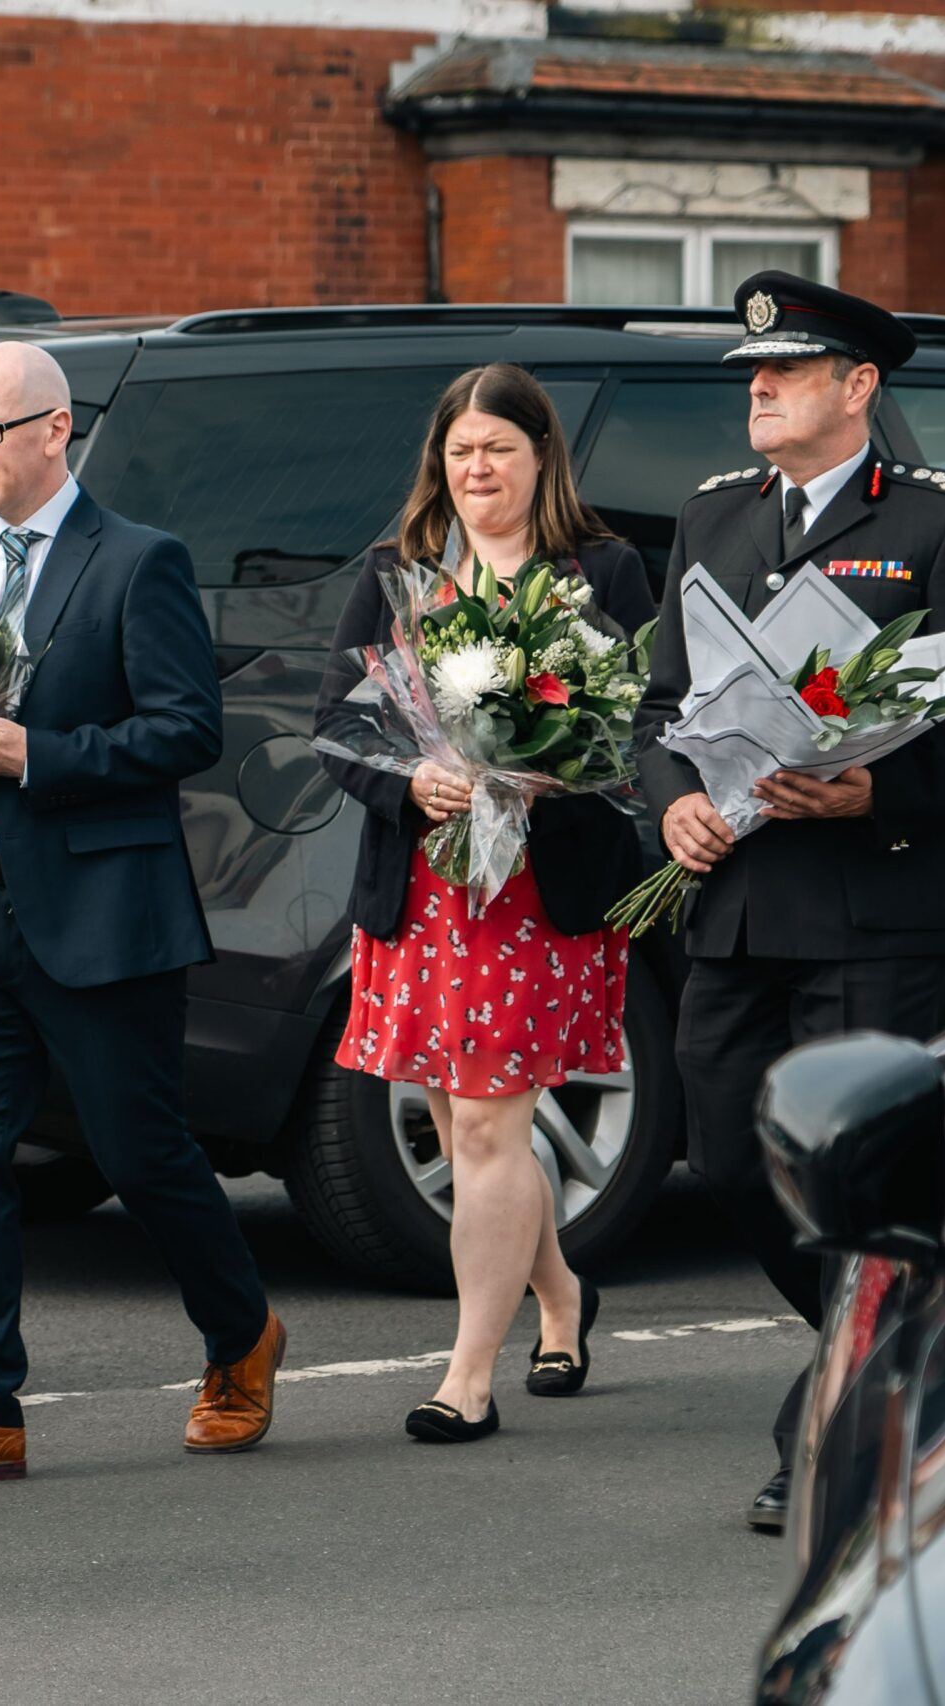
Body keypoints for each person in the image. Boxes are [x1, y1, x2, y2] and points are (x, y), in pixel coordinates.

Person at [0, 341, 284, 1490]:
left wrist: (38, 753)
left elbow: (185, 729)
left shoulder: (138, 561)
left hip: (98, 908)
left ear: (54, 430)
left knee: (142, 1151)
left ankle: (241, 1335)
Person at [633, 273, 945, 1530]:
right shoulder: (711, 519)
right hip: (741, 895)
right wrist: (670, 803)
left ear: (857, 388)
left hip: (873, 899)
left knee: (854, 1168)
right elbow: (659, 709)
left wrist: (875, 790)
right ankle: (908, 1350)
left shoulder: (941, 523)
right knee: (722, 1145)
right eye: (752, 375)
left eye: (786, 373)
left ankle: (842, 1412)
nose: (756, 389)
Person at [315, 363, 653, 1444]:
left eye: (497, 449)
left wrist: (560, 767)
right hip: (424, 882)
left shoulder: (601, 570)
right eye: (459, 452)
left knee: (495, 1121)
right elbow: (340, 724)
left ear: (541, 457)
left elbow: (643, 723)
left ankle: (465, 1372)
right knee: (461, 1127)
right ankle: (557, 1292)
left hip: (534, 888)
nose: (475, 469)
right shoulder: (398, 571)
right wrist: (412, 781)